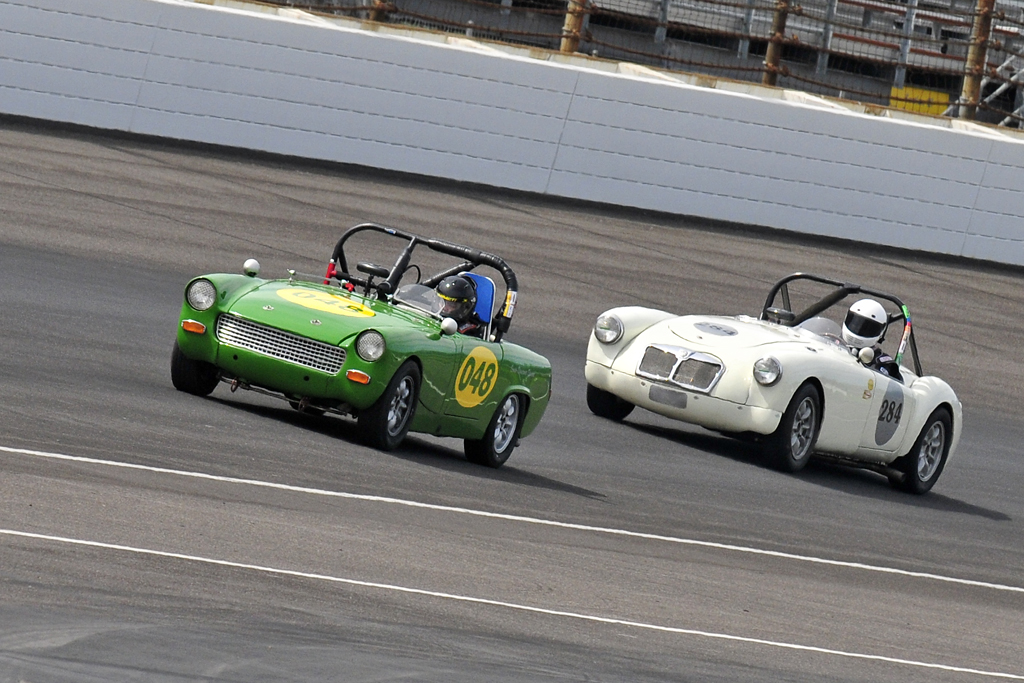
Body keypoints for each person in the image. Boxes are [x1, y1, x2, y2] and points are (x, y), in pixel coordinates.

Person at [842, 298, 899, 378]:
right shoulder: (833, 341)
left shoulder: (881, 362)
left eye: (867, 329)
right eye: (855, 324)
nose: (859, 329)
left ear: (881, 332)